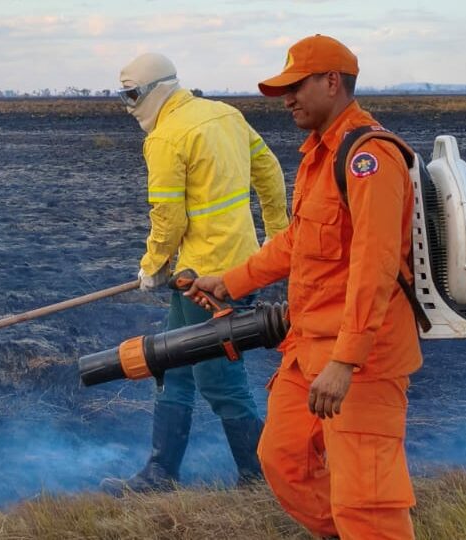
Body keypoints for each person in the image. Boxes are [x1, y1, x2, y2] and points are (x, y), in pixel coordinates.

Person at [185, 35, 422, 539]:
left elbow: (375, 265)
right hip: (308, 348)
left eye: (295, 86)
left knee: (367, 502)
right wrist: (230, 282)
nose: (287, 99)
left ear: (332, 82)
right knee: (283, 459)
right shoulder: (320, 154)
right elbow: (297, 241)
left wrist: (346, 361)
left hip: (363, 360)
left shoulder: (369, 158)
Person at [101, 53, 290, 495]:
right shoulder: (226, 115)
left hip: (208, 284)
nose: (129, 107)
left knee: (221, 382)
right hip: (228, 270)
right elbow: (269, 172)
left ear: (156, 90)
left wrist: (152, 267)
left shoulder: (166, 137)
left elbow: (168, 218)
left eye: (132, 95)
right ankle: (161, 473)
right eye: (123, 97)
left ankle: (262, 480)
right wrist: (276, 236)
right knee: (172, 365)